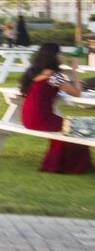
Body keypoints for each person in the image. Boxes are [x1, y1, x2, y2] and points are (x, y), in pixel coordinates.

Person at [20, 43, 91, 173]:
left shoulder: (34, 72)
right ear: (54, 56)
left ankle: (59, 160)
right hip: (41, 119)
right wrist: (74, 70)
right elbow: (77, 93)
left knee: (67, 126)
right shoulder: (54, 76)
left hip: (27, 118)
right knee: (77, 127)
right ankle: (67, 164)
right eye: (59, 53)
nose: (61, 56)